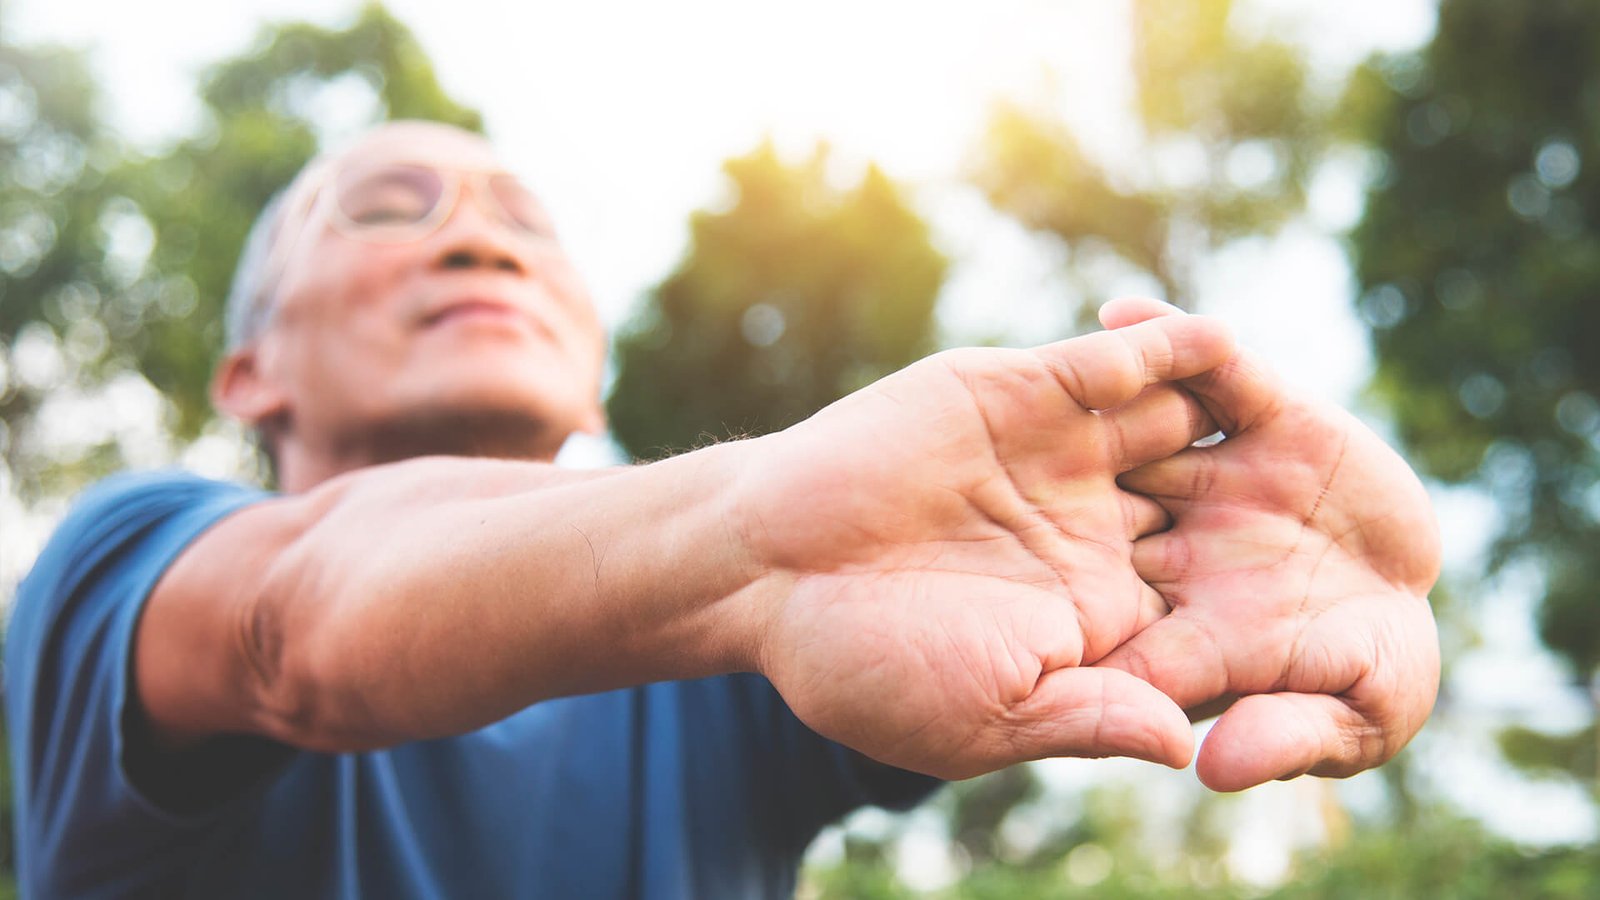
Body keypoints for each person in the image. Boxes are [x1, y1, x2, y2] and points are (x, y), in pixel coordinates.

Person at [5, 121, 1442, 898]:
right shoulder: (118, 567)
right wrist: (753, 524)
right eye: (390, 201)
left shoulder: (735, 670)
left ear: (589, 379)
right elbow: (291, 623)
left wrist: (1206, 566)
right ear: (250, 370)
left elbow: (941, 604)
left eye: (524, 217)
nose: (477, 230)